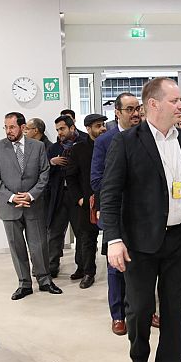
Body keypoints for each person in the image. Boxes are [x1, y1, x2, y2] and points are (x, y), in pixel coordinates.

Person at [101, 77, 181, 362]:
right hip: (139, 241)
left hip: (179, 237)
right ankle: (139, 360)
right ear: (153, 104)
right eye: (175, 100)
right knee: (140, 307)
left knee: (174, 307)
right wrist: (113, 239)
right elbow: (110, 193)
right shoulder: (126, 142)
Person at [0, 112, 61, 299]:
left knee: (39, 245)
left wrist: (31, 195)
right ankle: (24, 283)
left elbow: (44, 173)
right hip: (10, 207)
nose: (8, 131)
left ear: (22, 127)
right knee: (16, 247)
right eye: (6, 127)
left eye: (12, 127)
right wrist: (12, 197)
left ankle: (45, 280)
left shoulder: (37, 146)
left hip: (33, 205)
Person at [91, 92, 146, 335]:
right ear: (117, 112)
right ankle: (118, 315)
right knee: (116, 267)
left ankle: (146, 310)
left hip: (145, 214)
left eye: (138, 108)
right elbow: (96, 180)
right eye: (129, 109)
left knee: (145, 265)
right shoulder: (105, 141)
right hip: (117, 213)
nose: (135, 114)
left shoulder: (147, 136)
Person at [66, 114, 107, 289]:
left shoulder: (113, 144)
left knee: (112, 238)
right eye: (98, 126)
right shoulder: (79, 150)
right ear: (88, 129)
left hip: (109, 199)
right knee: (87, 239)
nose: (102, 128)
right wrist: (79, 199)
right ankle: (88, 272)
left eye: (103, 125)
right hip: (87, 201)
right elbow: (71, 177)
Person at [47, 115, 88, 279]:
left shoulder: (84, 143)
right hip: (60, 195)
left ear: (72, 127)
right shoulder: (54, 148)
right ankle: (52, 265)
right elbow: (44, 173)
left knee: (81, 232)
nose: (59, 133)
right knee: (55, 232)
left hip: (78, 195)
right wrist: (52, 162)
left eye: (62, 129)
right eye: (57, 130)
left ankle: (82, 267)